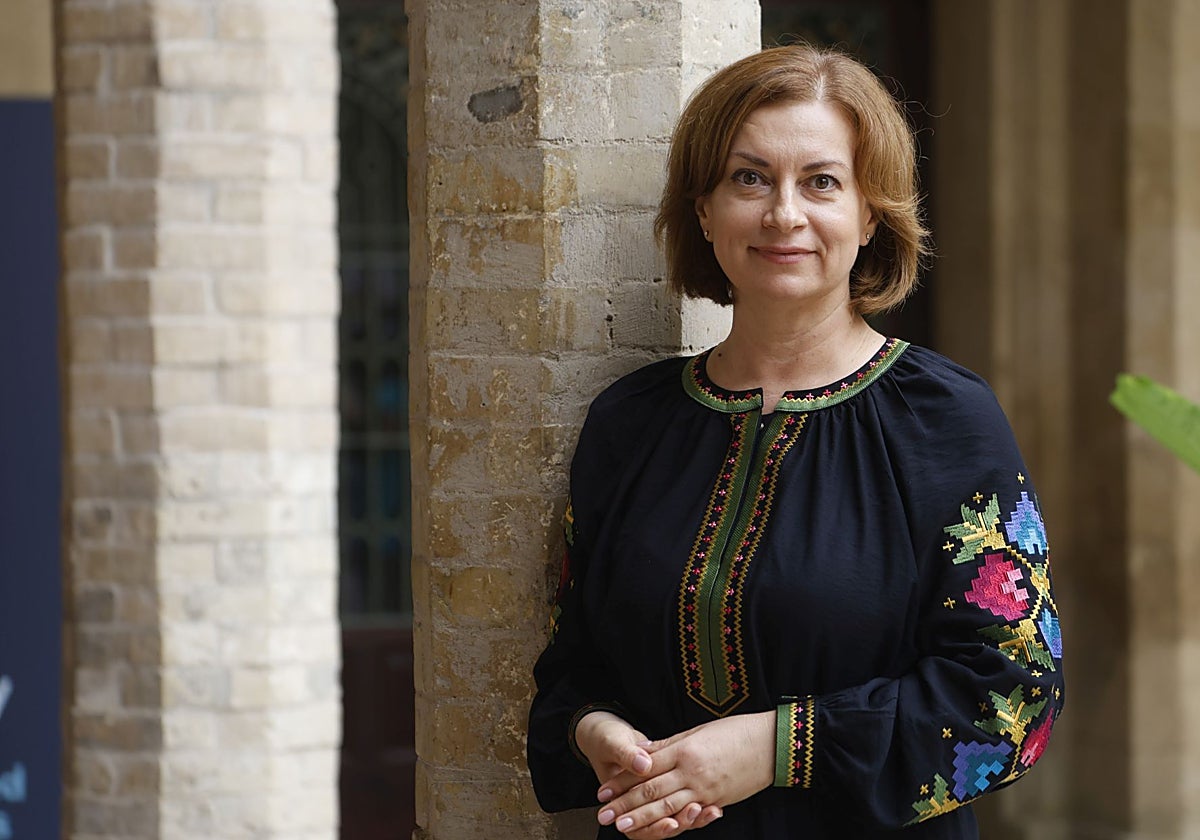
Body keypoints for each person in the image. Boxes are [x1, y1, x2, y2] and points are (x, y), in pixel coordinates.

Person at [526, 43, 1064, 839]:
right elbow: (572, 663)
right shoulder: (628, 423)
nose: (784, 213)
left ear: (868, 213)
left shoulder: (944, 419)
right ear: (704, 209)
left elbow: (1012, 700)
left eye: (821, 182)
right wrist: (593, 732)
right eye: (750, 178)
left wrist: (778, 748)